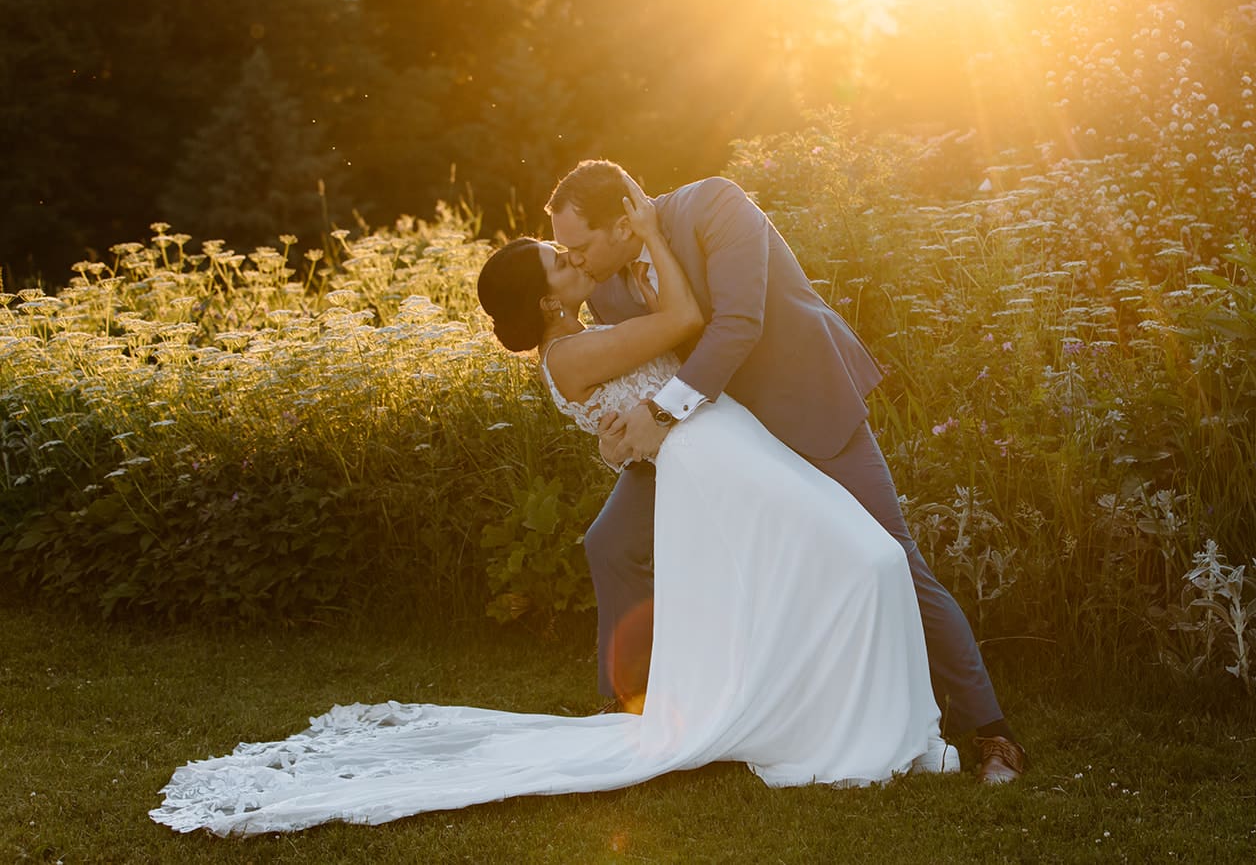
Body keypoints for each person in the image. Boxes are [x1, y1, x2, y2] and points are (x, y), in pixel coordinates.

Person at [149, 176, 954, 837]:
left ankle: (837, 716)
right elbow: (685, 320)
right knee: (870, 560)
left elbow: (673, 337)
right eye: (560, 264)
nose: (577, 263)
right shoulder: (569, 353)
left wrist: (643, 256)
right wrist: (654, 235)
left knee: (854, 562)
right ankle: (851, 732)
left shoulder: (589, 321)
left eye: (569, 252)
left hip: (731, 441)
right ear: (545, 303)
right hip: (711, 458)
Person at [546, 160, 1027, 783]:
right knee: (611, 541)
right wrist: (614, 442)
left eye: (580, 246)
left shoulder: (715, 206)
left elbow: (739, 323)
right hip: (708, 439)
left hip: (801, 408)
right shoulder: (607, 286)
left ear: (621, 222)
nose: (576, 261)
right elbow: (616, 374)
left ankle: (992, 732)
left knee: (892, 556)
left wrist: (663, 414)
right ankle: (640, 709)